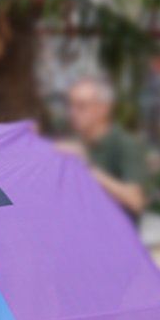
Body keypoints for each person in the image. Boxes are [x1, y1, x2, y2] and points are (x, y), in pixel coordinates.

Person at [59, 75, 148, 219]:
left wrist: (85, 167)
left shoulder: (125, 143)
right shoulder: (75, 143)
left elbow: (136, 201)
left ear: (104, 108)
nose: (72, 113)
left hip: (115, 236)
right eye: (70, 105)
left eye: (81, 106)